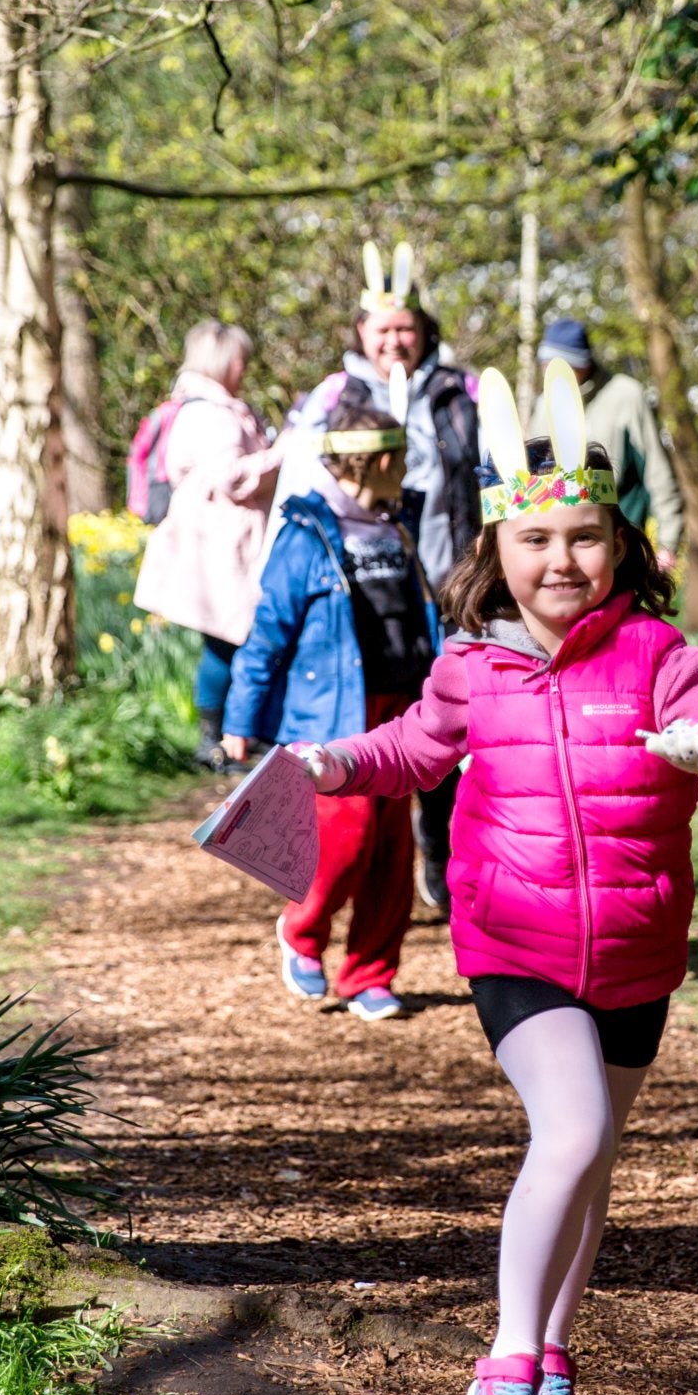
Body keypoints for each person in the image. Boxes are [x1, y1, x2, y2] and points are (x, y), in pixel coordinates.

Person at [283, 362, 698, 1395]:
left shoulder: (670, 660)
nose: (562, 562)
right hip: (514, 942)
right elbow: (412, 750)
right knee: (575, 1130)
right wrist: (330, 765)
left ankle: (556, 1356)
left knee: (590, 1159)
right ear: (495, 557)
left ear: (622, 547)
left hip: (640, 949)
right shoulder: (470, 669)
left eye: (585, 540)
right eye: (536, 543)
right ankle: (509, 1357)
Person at [276, 241, 483, 909]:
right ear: (362, 333)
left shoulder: (460, 391)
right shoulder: (335, 396)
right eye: (383, 330)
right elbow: (299, 480)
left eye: (407, 329)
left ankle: (439, 854)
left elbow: (488, 474)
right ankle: (342, 881)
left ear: (425, 332)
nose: (396, 341)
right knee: (383, 730)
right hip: (367, 586)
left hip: (448, 578)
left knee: (452, 722)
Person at [220, 393, 437, 1023]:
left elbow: (425, 620)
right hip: (334, 717)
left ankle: (371, 974)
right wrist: (241, 719)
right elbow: (267, 635)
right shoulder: (307, 533)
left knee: (395, 854)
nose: (407, 468)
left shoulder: (399, 526)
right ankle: (303, 932)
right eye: (399, 457)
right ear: (373, 463)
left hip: (404, 714)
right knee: (348, 838)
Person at [131, 320, 284, 772]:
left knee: (230, 640)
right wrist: (286, 451)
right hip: (218, 548)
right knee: (226, 640)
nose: (245, 367)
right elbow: (230, 478)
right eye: (240, 358)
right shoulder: (210, 414)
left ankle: (230, 736)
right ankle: (215, 740)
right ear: (222, 360)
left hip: (220, 544)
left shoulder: (208, 407)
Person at [527, 318, 673, 551]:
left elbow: (657, 470)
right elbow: (532, 480)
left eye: (559, 364)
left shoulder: (626, 395)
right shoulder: (545, 405)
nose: (548, 371)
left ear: (581, 364)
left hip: (621, 540)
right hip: (561, 545)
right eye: (546, 364)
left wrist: (668, 543)